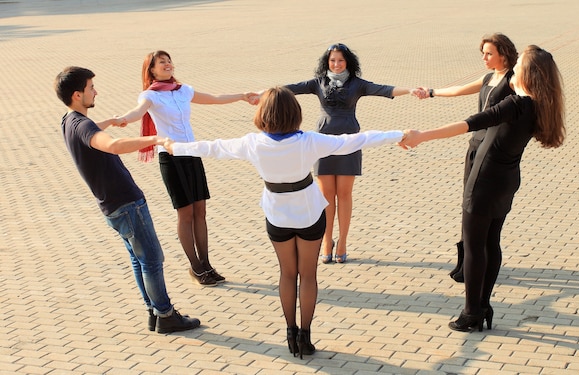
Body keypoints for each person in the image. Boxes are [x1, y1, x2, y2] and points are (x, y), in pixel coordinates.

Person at [163, 86, 416, 358]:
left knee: (287, 274)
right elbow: (355, 140)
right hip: (308, 213)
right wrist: (400, 135)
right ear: (295, 113)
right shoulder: (309, 140)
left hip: (277, 215)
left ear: (263, 114)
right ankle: (305, 336)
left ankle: (290, 332)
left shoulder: (252, 142)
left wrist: (173, 147)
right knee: (308, 275)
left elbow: (212, 147)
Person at [401, 45, 565, 332]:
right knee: (491, 242)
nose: (515, 69)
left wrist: (422, 135)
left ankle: (471, 313)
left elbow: (469, 124)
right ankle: (483, 305)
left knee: (475, 245)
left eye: (521, 65)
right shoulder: (537, 105)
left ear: (528, 73)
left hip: (485, 180)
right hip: (507, 181)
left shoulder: (515, 104)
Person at [54, 66, 201, 334]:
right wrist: (155, 139)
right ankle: (166, 315)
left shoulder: (69, 121)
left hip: (111, 205)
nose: (95, 91)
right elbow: (112, 145)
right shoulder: (84, 125)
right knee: (152, 260)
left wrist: (108, 122)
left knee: (139, 258)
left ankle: (154, 312)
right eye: (90, 88)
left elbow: (90, 132)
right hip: (126, 202)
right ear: (77, 95)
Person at [116, 50, 257, 286]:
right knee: (186, 213)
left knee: (200, 211)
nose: (168, 64)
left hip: (193, 153)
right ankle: (195, 266)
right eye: (162, 62)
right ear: (151, 70)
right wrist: (122, 119)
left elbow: (213, 98)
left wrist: (243, 95)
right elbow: (137, 111)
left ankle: (206, 264)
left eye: (169, 60)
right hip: (171, 157)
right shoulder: (150, 95)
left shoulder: (182, 90)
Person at [283, 43, 420, 264]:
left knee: (344, 194)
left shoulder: (357, 84)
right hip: (323, 142)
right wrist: (259, 94)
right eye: (332, 61)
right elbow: (289, 89)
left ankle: (343, 241)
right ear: (326, 62)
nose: (336, 65)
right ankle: (326, 241)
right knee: (326, 196)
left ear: (348, 62)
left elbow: (385, 90)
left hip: (350, 142)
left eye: (340, 61)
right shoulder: (318, 83)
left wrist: (410, 90)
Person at [415, 33, 518, 283]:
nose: (484, 57)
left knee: (479, 206)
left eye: (489, 53)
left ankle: (476, 260)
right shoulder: (489, 77)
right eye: (483, 52)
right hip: (475, 147)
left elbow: (528, 101)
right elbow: (460, 90)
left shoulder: (513, 80)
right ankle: (465, 261)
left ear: (503, 54)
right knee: (467, 202)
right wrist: (431, 92)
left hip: (494, 152)